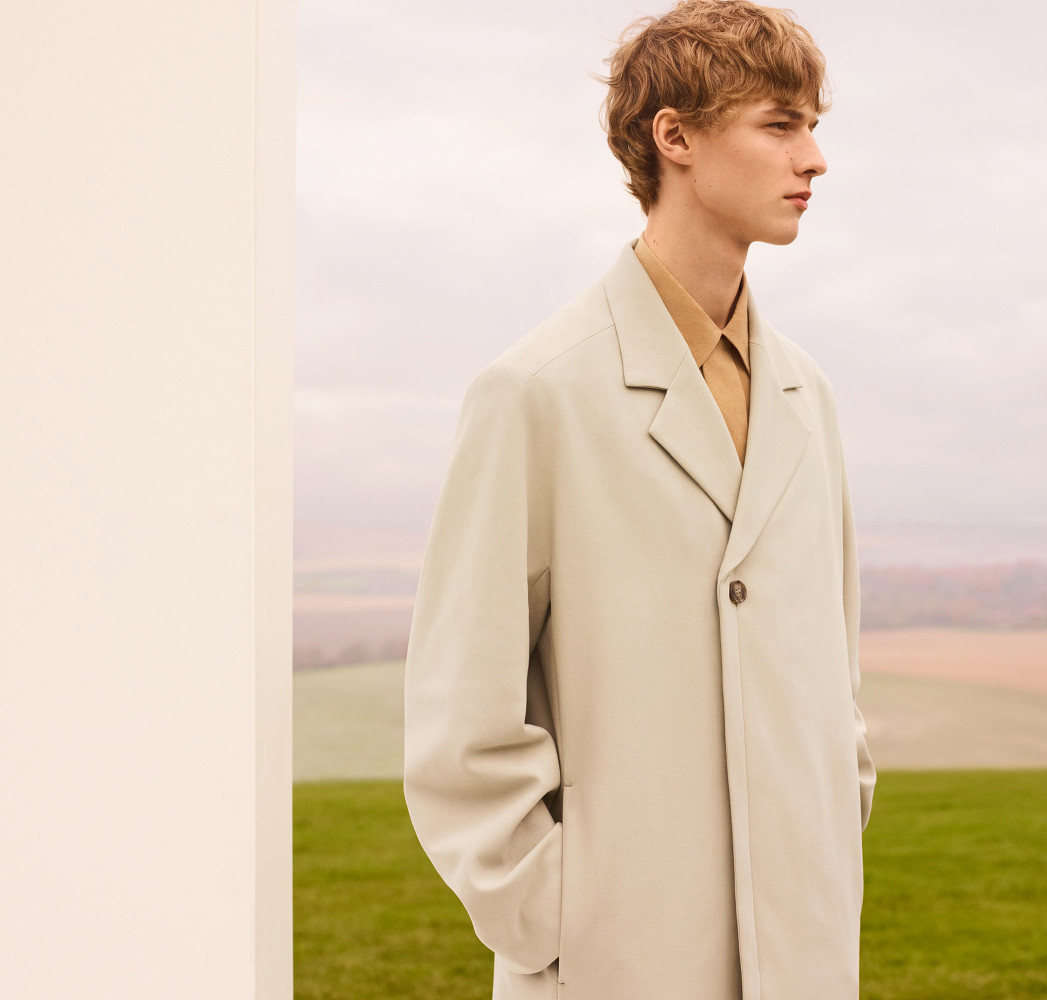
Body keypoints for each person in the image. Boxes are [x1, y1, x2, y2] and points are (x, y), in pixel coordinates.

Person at [402, 2, 876, 997]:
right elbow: (460, 733)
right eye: (780, 125)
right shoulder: (534, 394)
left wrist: (836, 817)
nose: (815, 159)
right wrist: (564, 920)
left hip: (805, 957)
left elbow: (834, 681)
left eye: (812, 126)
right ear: (675, 137)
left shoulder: (810, 396)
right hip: (615, 963)